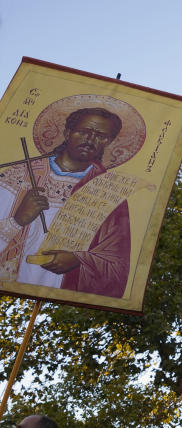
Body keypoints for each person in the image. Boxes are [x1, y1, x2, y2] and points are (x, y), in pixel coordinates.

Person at [0, 107, 131, 296]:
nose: (90, 140)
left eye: (100, 136)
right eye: (84, 132)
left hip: (58, 293)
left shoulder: (107, 193)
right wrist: (17, 220)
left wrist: (79, 259)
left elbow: (117, 262)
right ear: (68, 132)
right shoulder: (17, 176)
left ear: (108, 142)